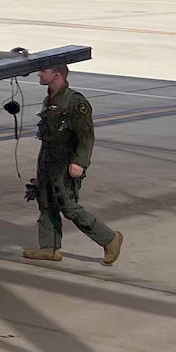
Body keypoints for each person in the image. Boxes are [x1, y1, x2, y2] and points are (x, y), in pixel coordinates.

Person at [23, 62, 123, 266]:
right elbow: (48, 137)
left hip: (65, 164)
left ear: (57, 74)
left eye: (44, 71)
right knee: (46, 203)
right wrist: (40, 166)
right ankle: (50, 248)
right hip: (48, 161)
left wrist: (79, 162)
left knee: (68, 207)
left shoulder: (75, 102)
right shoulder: (50, 100)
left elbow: (86, 136)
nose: (39, 74)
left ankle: (109, 238)